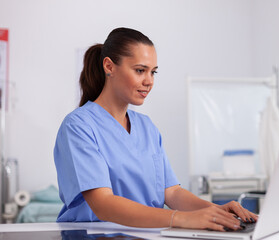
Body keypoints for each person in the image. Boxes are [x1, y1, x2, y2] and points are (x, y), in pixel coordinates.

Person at [54, 27, 257, 231]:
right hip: (93, 235)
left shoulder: (146, 127)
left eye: (153, 72)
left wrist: (217, 211)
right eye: (140, 70)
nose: (149, 81)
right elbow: (103, 204)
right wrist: (180, 218)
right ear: (109, 66)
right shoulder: (79, 126)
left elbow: (172, 193)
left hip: (147, 234)